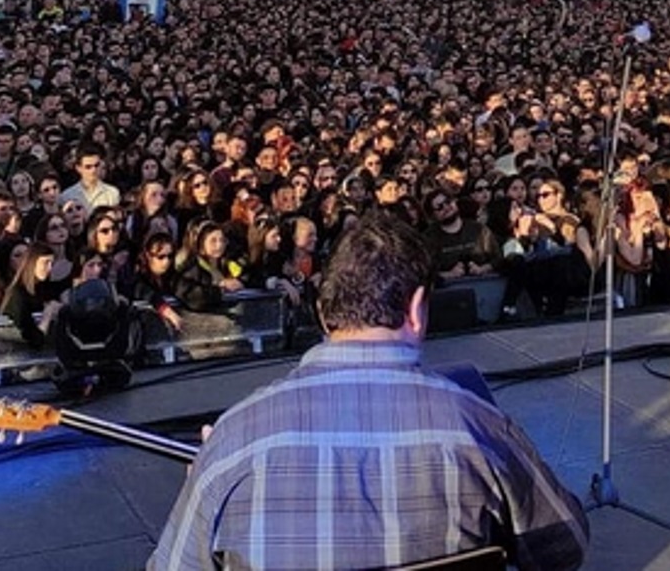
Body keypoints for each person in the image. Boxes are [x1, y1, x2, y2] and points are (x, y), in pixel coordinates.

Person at [149, 211, 588, 571]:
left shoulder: (233, 438)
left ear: (323, 311)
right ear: (416, 309)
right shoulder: (478, 427)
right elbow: (565, 547)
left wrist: (207, 478)